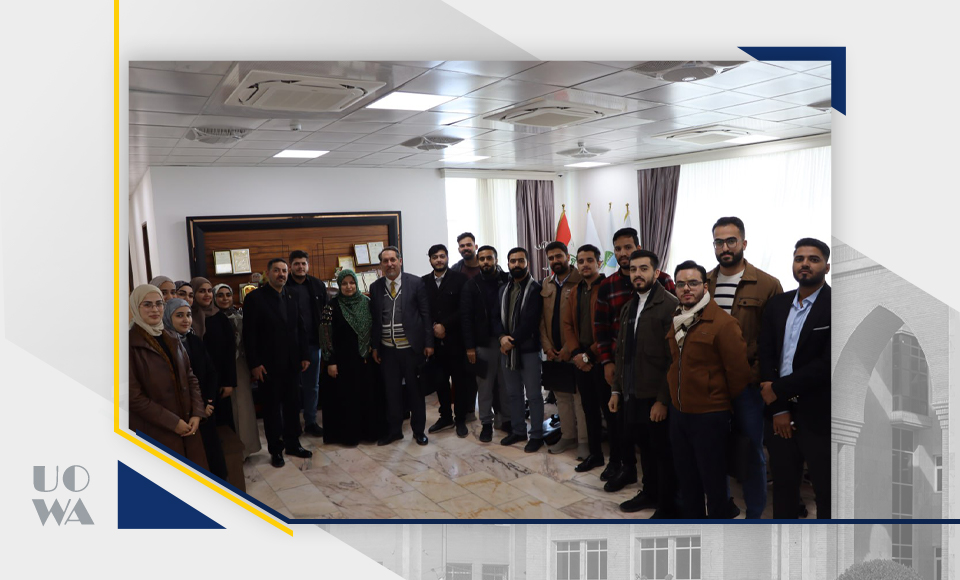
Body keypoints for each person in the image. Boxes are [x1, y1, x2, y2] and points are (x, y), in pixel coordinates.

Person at [705, 217, 783, 519]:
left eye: (731, 241)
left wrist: (759, 377)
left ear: (743, 243)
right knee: (714, 449)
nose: (725, 247)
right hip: (711, 384)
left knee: (752, 452)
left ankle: (754, 515)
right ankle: (722, 508)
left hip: (748, 386)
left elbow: (773, 340)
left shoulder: (767, 284)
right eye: (719, 242)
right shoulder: (704, 282)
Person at [667, 261, 752, 519]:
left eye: (693, 283)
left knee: (713, 482)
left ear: (705, 287)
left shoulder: (724, 324)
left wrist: (713, 396)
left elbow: (739, 374)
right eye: (681, 284)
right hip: (679, 412)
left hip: (709, 416)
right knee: (687, 479)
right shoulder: (677, 318)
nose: (686, 289)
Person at [758, 238, 832, 519]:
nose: (805, 264)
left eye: (813, 259)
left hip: (819, 414)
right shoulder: (777, 304)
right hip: (779, 412)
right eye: (799, 258)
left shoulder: (838, 305)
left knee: (826, 492)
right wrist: (779, 407)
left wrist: (777, 389)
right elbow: (766, 353)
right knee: (784, 489)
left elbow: (826, 364)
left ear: (826, 267)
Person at [609, 250, 679, 517]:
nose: (637, 274)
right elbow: (621, 353)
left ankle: (668, 506)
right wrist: (616, 390)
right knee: (644, 448)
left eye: (643, 269)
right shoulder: (629, 306)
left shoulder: (669, 305)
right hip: (632, 392)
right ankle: (650, 493)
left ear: (656, 273)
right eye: (633, 269)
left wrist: (662, 400)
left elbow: (674, 359)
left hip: (656, 396)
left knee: (663, 452)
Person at [242, 258, 312, 468]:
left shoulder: (292, 294)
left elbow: (300, 327)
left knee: (293, 406)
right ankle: (276, 450)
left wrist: (305, 355)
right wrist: (254, 364)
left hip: (292, 363)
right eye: (276, 270)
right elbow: (249, 334)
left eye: (284, 271)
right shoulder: (254, 298)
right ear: (268, 273)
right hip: (267, 365)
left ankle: (293, 444)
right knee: (272, 409)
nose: (281, 274)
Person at [128, 284, 207, 468]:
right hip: (155, 429)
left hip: (187, 422)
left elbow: (190, 376)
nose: (155, 309)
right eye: (147, 304)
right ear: (135, 307)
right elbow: (134, 397)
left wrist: (197, 412)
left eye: (159, 303)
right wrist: (173, 423)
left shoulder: (171, 337)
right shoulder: (127, 344)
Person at [369, 246, 434, 446]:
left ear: (400, 261)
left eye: (392, 260)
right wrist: (375, 347)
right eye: (385, 261)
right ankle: (395, 431)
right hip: (387, 350)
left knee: (415, 393)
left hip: (412, 349)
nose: (389, 264)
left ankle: (418, 431)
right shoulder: (375, 287)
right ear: (381, 265)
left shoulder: (415, 282)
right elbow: (375, 320)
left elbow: (426, 314)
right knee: (392, 393)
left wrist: (429, 343)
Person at [593, 228, 639, 485]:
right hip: (616, 365)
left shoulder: (661, 280)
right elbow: (600, 327)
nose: (623, 253)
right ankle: (618, 462)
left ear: (638, 248)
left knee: (640, 423)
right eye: (618, 249)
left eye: (628, 247)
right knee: (614, 418)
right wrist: (607, 361)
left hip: (645, 367)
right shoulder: (607, 285)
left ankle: (638, 471)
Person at [163, 298, 228, 479]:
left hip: (205, 409)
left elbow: (210, 373)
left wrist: (208, 401)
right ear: (167, 317)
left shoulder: (194, 340)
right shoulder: (165, 345)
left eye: (189, 315)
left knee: (213, 458)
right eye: (179, 315)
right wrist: (197, 408)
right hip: (183, 414)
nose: (186, 320)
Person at [320, 269, 382, 446]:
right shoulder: (331, 306)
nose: (349, 287)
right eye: (344, 283)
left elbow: (375, 328)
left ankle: (368, 434)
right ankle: (349, 436)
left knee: (367, 398)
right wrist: (330, 361)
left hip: (365, 360)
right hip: (343, 362)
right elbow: (326, 335)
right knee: (347, 400)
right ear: (339, 286)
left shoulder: (367, 302)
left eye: (352, 283)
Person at [562, 244, 608, 473]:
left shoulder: (607, 288)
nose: (585, 265)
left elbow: (610, 328)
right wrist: (576, 354)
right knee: (588, 409)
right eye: (580, 261)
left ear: (599, 262)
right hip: (580, 360)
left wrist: (589, 355)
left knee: (609, 411)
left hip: (602, 360)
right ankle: (595, 455)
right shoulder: (575, 290)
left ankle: (618, 461)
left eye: (590, 260)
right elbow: (568, 324)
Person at [494, 247, 545, 453]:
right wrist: (501, 337)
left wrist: (511, 340)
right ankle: (518, 430)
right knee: (513, 394)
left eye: (520, 261)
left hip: (528, 350)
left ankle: (537, 435)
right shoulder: (503, 289)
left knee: (533, 395)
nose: (516, 264)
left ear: (527, 263)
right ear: (507, 264)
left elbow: (531, 322)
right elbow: (495, 318)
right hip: (507, 350)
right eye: (513, 261)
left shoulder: (536, 289)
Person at [539, 241, 586, 456]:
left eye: (559, 256)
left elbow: (582, 321)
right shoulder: (546, 284)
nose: (555, 261)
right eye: (551, 258)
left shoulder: (580, 281)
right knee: (561, 398)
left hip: (575, 351)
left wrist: (569, 347)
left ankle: (584, 441)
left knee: (579, 399)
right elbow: (541, 320)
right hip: (553, 352)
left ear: (568, 256)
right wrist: (547, 347)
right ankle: (568, 436)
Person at [422, 244, 473, 438]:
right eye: (435, 257)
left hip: (456, 341)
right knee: (440, 381)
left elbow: (465, 309)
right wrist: (434, 327)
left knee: (459, 382)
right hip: (435, 343)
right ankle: (445, 417)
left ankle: (460, 419)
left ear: (447, 258)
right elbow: (423, 310)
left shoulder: (460, 279)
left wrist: (445, 326)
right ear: (430, 260)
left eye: (442, 256)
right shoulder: (423, 282)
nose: (439, 260)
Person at [461, 245, 511, 443]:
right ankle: (486, 424)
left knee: (505, 385)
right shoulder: (471, 285)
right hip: (483, 344)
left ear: (496, 259)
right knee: (485, 387)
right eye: (482, 259)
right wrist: (470, 347)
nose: (485, 262)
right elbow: (466, 318)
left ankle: (506, 420)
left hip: (506, 342)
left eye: (489, 258)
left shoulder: (507, 280)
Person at [213, 283, 261, 459]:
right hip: (221, 368)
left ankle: (247, 448)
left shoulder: (240, 315)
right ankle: (232, 451)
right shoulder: (210, 318)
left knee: (244, 406)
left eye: (228, 294)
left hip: (240, 366)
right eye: (220, 295)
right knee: (229, 409)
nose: (225, 298)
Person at [287, 250, 329, 438]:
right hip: (290, 346)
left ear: (308, 265)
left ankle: (311, 422)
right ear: (290, 266)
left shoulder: (318, 285)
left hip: (313, 343)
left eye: (303, 263)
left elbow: (326, 313)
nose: (300, 267)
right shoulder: (284, 285)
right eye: (296, 264)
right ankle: (292, 424)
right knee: (291, 387)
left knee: (312, 386)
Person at [190, 277, 237, 431]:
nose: (207, 295)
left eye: (209, 291)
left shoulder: (220, 317)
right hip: (196, 380)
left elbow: (229, 352)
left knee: (223, 424)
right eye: (201, 291)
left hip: (219, 379)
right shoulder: (187, 317)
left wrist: (229, 382)